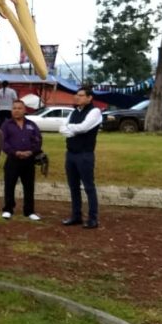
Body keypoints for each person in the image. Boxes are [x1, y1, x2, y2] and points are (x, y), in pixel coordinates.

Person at [59, 85, 102, 229]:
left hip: (85, 154)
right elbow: (61, 128)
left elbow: (84, 127)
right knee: (73, 187)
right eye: (77, 95)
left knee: (89, 187)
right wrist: (72, 130)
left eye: (81, 95)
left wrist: (70, 129)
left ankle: (93, 218)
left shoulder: (95, 112)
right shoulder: (73, 113)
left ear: (90, 98)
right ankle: (76, 216)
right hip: (70, 153)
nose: (77, 97)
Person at [0, 99, 42, 221]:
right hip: (13, 159)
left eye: (19, 108)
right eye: (14, 108)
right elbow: (3, 141)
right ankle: (8, 209)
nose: (17, 111)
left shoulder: (32, 125)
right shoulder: (6, 125)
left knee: (29, 186)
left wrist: (31, 152)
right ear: (11, 110)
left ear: (24, 110)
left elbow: (38, 140)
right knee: (9, 185)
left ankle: (29, 211)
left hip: (29, 160)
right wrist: (15, 152)